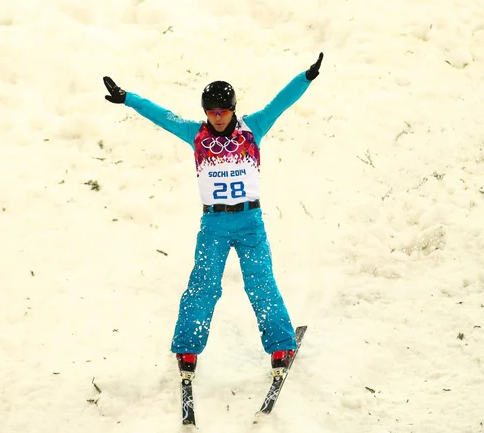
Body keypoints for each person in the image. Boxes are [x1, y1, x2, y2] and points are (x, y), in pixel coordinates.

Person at [102, 53, 323, 376]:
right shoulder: (196, 135)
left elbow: (280, 103)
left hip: (250, 224)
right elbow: (162, 116)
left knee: (260, 284)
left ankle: (281, 344)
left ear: (233, 109)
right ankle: (188, 348)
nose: (217, 117)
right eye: (211, 112)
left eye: (223, 111)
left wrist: (306, 77)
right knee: (203, 285)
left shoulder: (253, 128)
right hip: (214, 225)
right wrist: (128, 99)